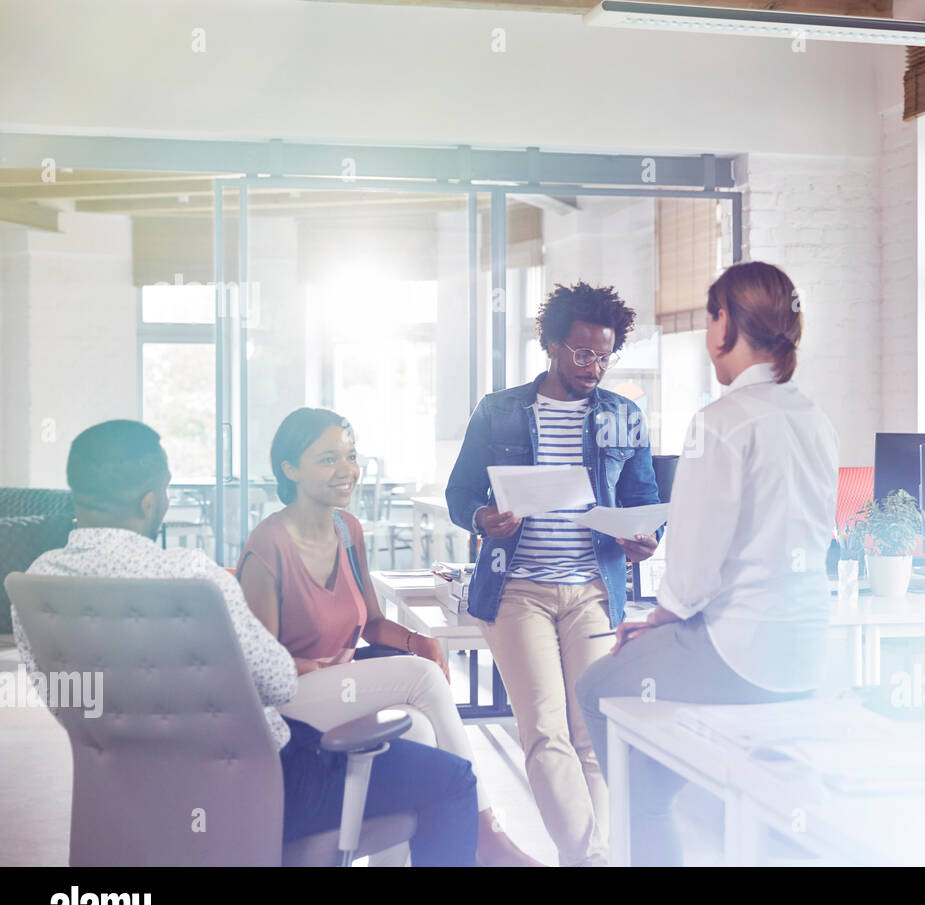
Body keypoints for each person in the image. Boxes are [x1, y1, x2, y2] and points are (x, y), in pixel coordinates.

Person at [9, 420, 478, 866]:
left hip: (128, 799)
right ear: (151, 501)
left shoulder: (36, 584)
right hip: (263, 788)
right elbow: (276, 684)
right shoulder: (194, 578)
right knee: (452, 780)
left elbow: (65, 698)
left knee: (413, 736)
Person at [575, 261, 839, 866]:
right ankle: (671, 795)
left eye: (709, 316)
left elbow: (693, 569)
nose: (705, 333)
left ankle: (652, 830)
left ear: (728, 325)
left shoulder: (719, 424)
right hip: (806, 647)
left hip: (738, 649)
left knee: (596, 690)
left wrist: (657, 620)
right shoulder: (814, 419)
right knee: (647, 739)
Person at [237, 407, 542, 867]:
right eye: (327, 460)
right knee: (421, 678)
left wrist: (418, 639)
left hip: (338, 690)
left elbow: (373, 621)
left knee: (416, 729)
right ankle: (486, 833)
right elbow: (259, 671)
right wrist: (322, 668)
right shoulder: (268, 545)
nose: (346, 471)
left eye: (351, 456)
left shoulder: (347, 529)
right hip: (288, 706)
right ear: (290, 469)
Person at [445, 281, 662, 866]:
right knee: (544, 732)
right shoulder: (499, 411)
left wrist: (645, 538)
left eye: (605, 354)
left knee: (590, 732)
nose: (595, 366)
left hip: (593, 590)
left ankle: (582, 860)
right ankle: (593, 860)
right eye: (583, 353)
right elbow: (460, 492)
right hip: (518, 591)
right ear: (551, 345)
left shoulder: (624, 416)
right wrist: (483, 517)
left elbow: (644, 495)